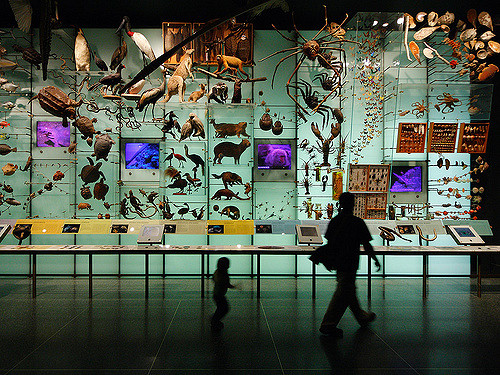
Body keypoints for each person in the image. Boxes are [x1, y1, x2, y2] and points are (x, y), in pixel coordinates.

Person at [319, 192, 381, 338]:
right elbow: (366, 244)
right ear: (353, 204)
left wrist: (330, 259)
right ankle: (328, 324)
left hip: (339, 261)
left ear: (340, 204)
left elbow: (329, 242)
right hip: (351, 261)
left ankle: (362, 317)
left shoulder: (335, 221)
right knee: (343, 291)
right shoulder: (357, 222)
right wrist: (375, 259)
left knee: (348, 289)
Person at [211, 257, 235, 330]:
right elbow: (225, 283)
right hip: (219, 295)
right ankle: (215, 320)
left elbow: (214, 279)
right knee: (224, 308)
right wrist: (232, 286)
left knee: (221, 308)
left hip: (217, 294)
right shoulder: (224, 274)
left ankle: (215, 320)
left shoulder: (217, 272)